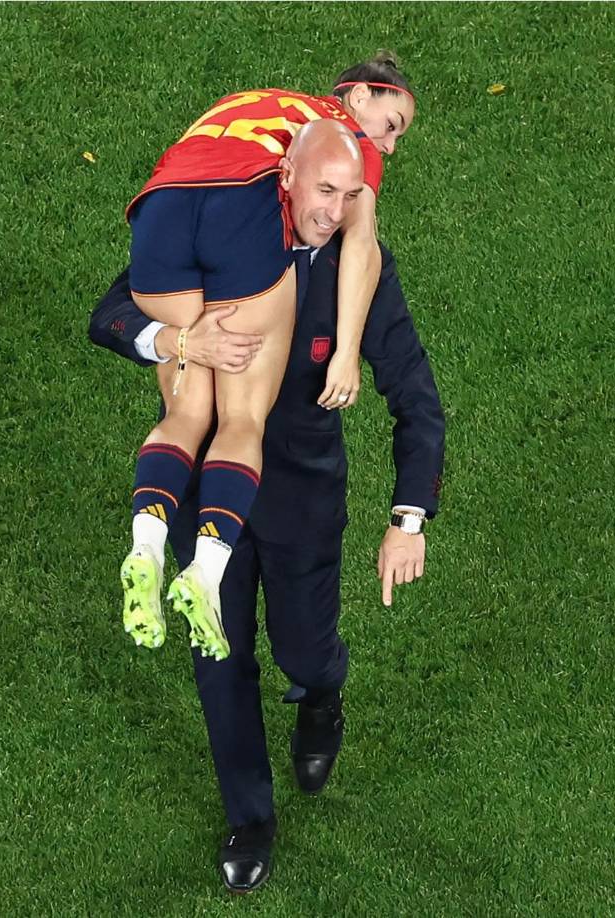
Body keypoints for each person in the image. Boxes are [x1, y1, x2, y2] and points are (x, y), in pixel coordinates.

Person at [89, 146, 445, 891]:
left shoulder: (360, 272)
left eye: (349, 196)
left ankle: (321, 692)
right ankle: (249, 817)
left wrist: (407, 519)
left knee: (304, 650)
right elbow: (112, 315)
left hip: (301, 503)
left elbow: (415, 393)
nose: (333, 212)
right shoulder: (226, 234)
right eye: (323, 191)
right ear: (287, 182)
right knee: (218, 660)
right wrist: (179, 340)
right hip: (206, 492)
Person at [120, 55, 417, 660]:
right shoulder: (342, 142)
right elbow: (361, 245)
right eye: (393, 124)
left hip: (159, 207)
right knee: (240, 418)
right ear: (359, 96)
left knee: (187, 407)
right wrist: (347, 351)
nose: (389, 144)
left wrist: (183, 340)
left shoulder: (260, 102)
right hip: (241, 213)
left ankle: (145, 546)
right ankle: (205, 575)